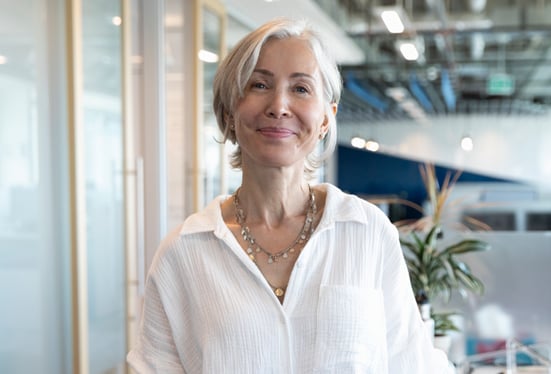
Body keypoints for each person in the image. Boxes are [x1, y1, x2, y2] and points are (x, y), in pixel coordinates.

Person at [127, 17, 453, 373]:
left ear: (327, 117)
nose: (279, 105)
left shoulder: (367, 232)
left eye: (300, 89)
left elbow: (413, 362)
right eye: (259, 84)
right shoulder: (183, 253)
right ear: (228, 110)